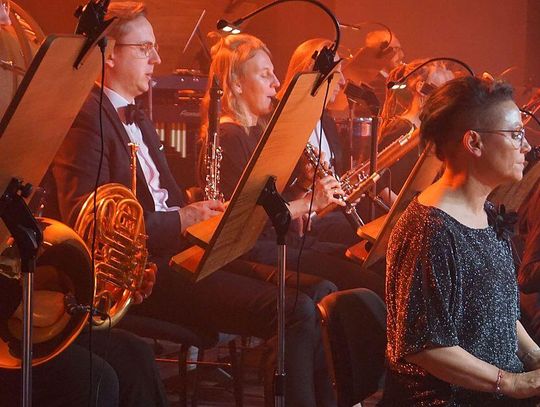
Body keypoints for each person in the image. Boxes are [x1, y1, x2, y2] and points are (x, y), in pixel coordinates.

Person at [45, 3, 337, 406]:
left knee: (310, 299)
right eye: (144, 48)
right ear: (108, 54)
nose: (156, 59)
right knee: (295, 310)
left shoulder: (137, 117)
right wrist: (183, 219)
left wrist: (205, 215)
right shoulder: (85, 118)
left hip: (184, 253)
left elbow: (167, 197)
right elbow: (88, 222)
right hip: (148, 272)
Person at [383, 75, 540, 405]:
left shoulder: (485, 212)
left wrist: (535, 357)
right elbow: (425, 347)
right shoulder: (430, 230)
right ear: (474, 142)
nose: (526, 147)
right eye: (515, 135)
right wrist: (512, 383)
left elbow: (500, 312)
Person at [200, 33, 385, 296]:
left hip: (281, 242)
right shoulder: (229, 137)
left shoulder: (257, 132)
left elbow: (270, 200)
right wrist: (312, 203)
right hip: (254, 250)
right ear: (237, 84)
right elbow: (245, 220)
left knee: (372, 265)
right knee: (360, 279)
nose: (276, 83)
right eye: (265, 75)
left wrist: (304, 185)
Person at [378, 59, 454, 194]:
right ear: (421, 88)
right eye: (442, 93)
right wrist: (400, 207)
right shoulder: (402, 128)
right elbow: (377, 179)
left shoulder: (430, 130)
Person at [328, 29, 405, 118]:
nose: (402, 55)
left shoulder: (391, 82)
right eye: (396, 49)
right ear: (380, 51)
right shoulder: (372, 85)